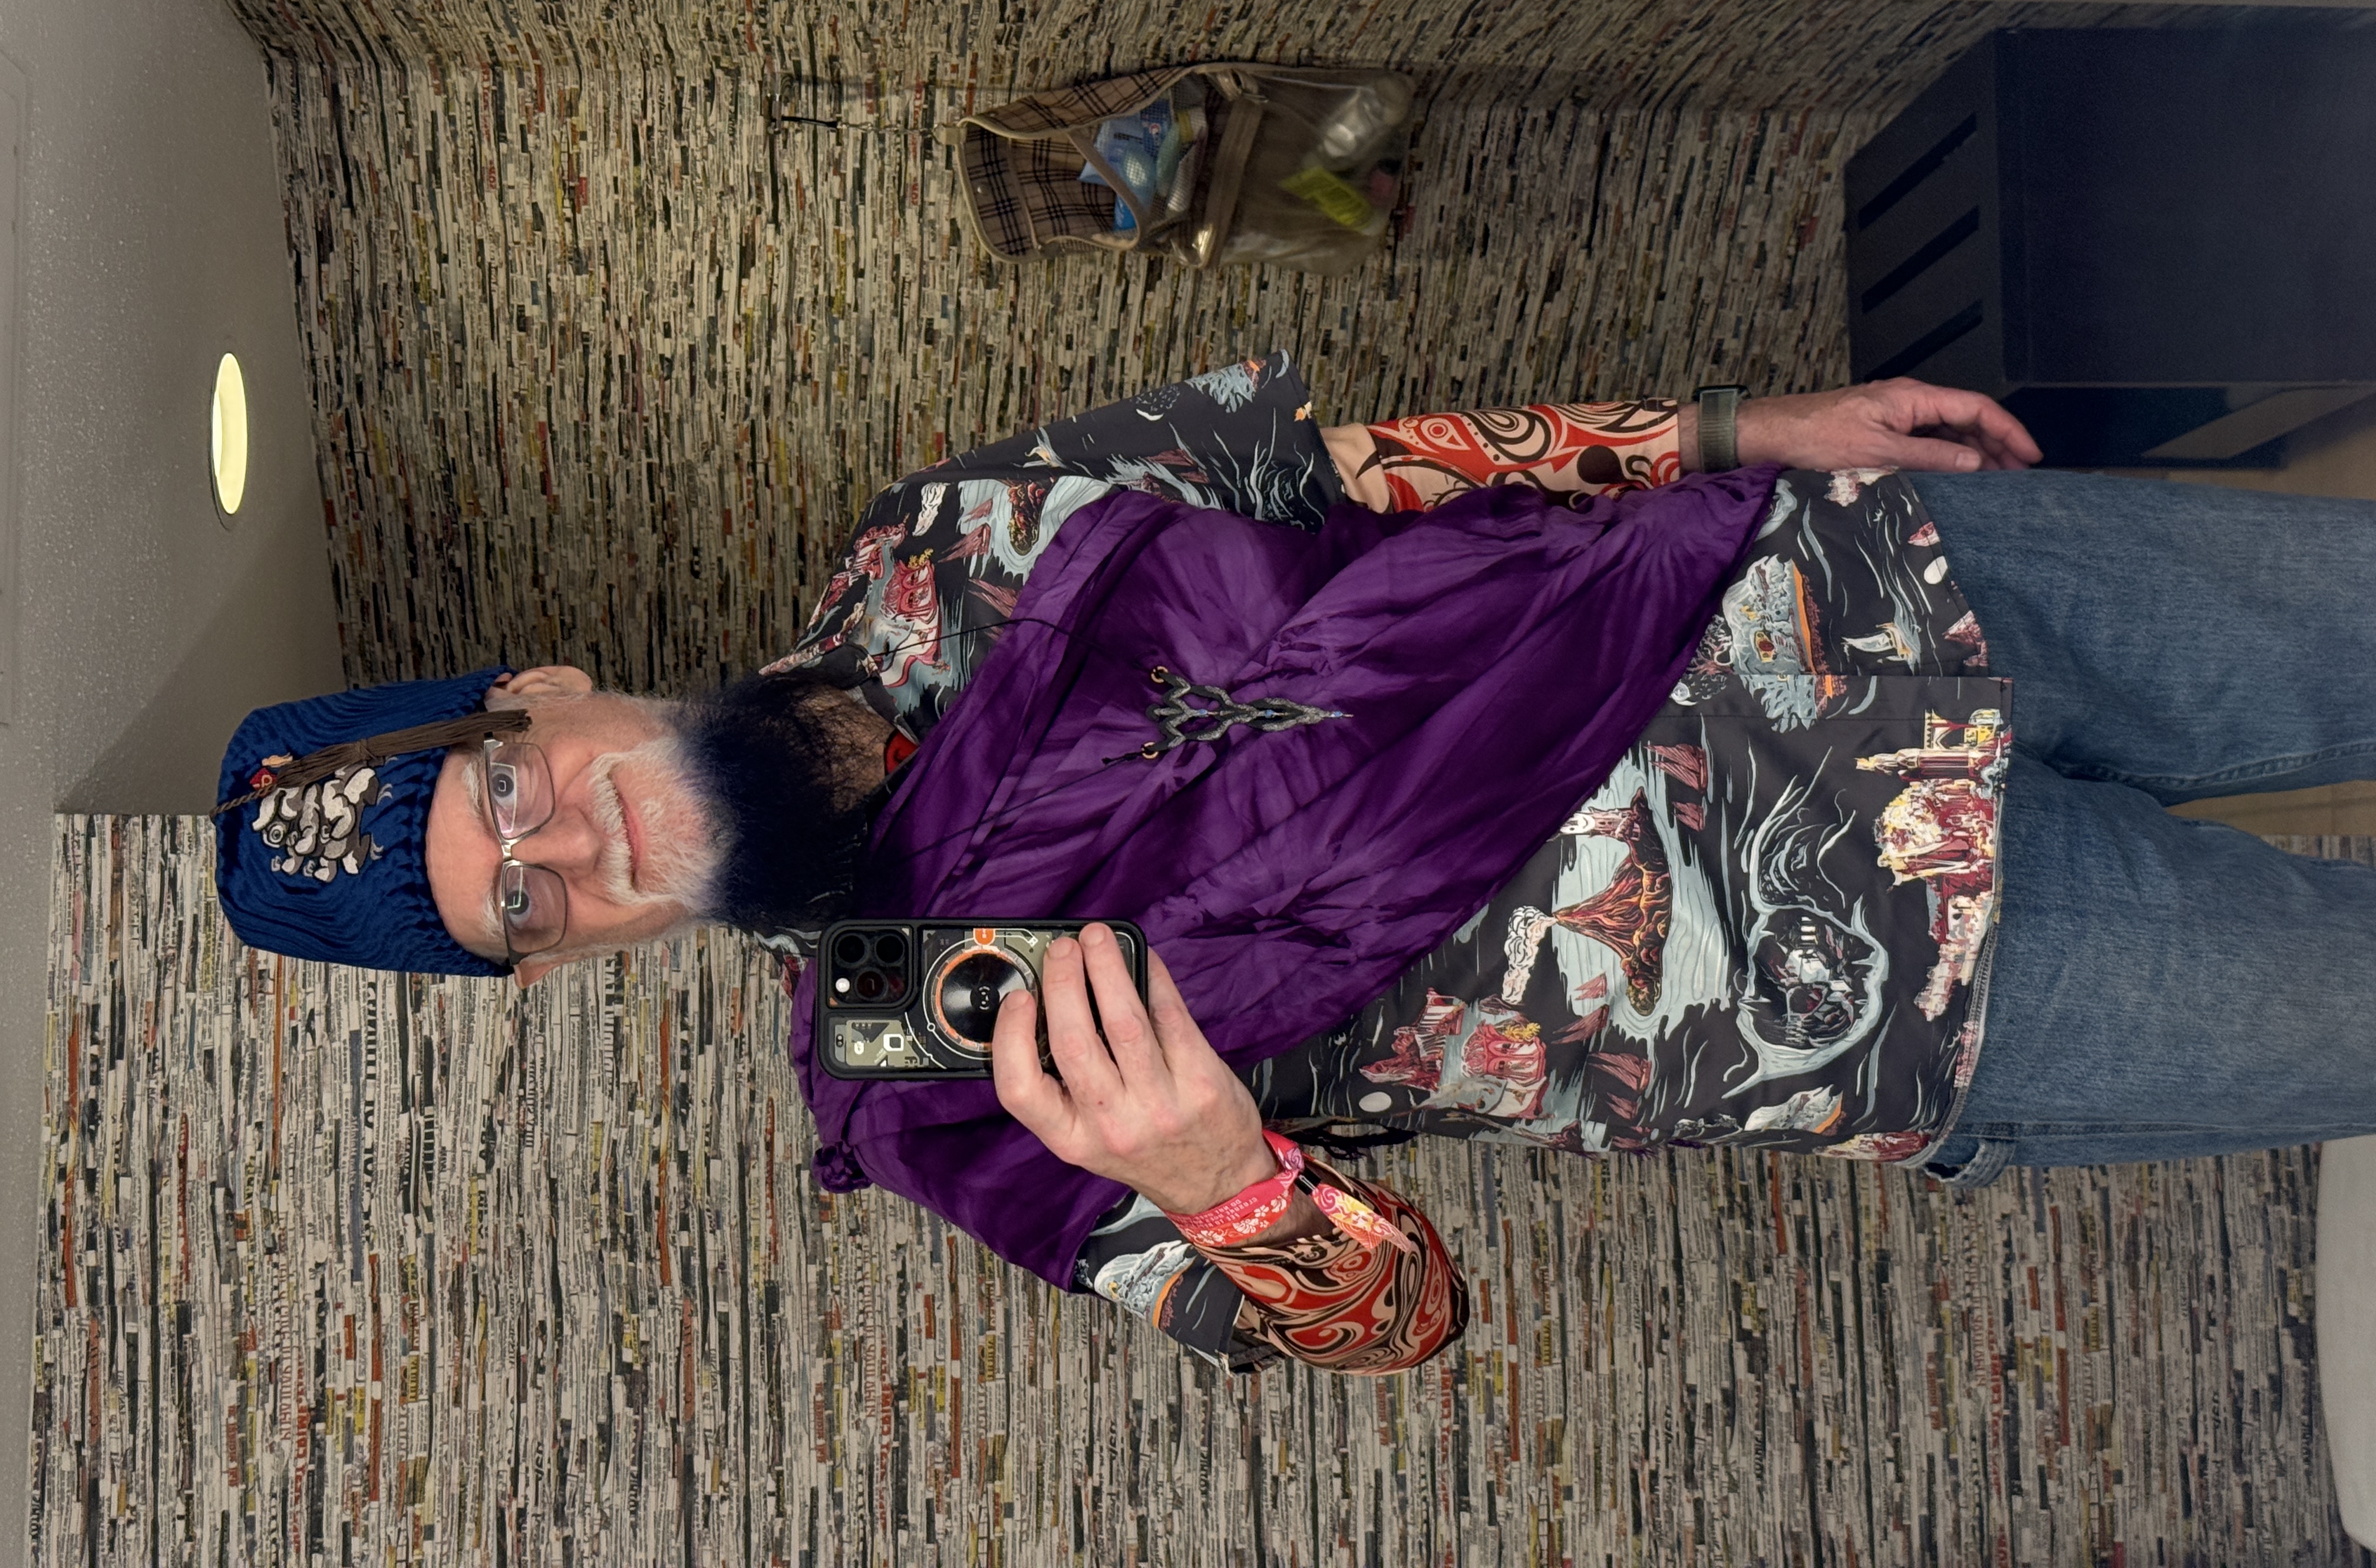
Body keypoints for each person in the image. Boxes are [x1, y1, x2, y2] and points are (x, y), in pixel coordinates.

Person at [213, 357, 2376, 1377]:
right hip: (1923, 992)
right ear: (559, 969)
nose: (565, 850)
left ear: (543, 690)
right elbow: (1397, 1326)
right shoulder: (927, 1103)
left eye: (505, 791)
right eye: (526, 908)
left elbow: (1337, 469)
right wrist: (1218, 1175)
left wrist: (1741, 435)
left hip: (1869, 590)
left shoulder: (946, 537)